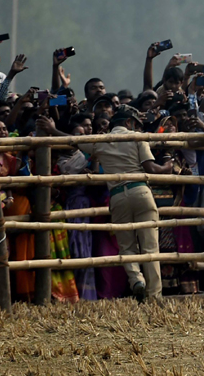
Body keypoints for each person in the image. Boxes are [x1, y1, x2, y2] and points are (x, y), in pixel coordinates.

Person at [38, 105, 173, 302]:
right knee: (150, 246)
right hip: (141, 191)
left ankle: (136, 280)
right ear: (129, 123)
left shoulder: (100, 141)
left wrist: (52, 130)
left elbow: (74, 142)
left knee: (126, 246)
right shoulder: (137, 138)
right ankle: (154, 296)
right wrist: (168, 166)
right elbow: (151, 168)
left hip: (117, 195)